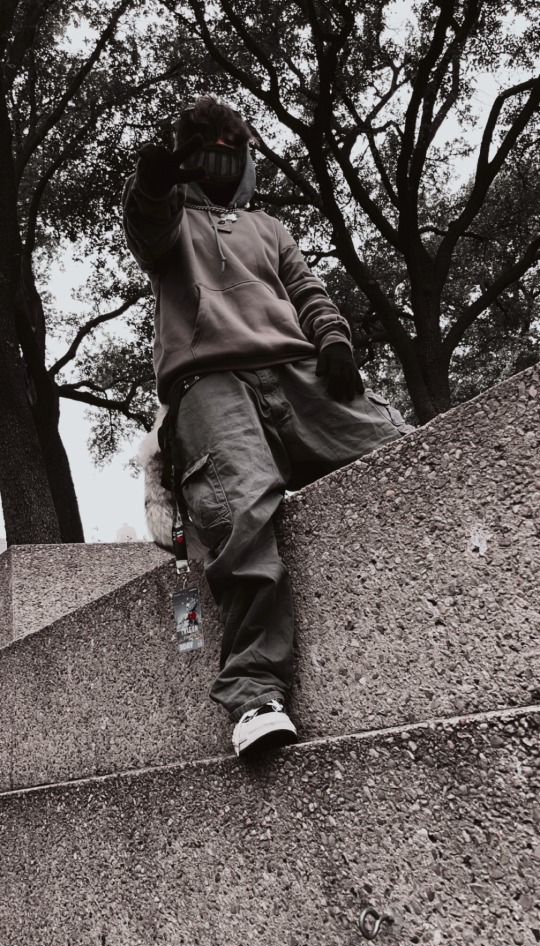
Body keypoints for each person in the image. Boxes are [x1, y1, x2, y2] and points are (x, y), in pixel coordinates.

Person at [122, 95, 411, 758]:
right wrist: (154, 187)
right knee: (243, 508)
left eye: (234, 150)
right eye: (209, 152)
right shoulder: (173, 222)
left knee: (396, 445)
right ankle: (254, 695)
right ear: (192, 161)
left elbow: (308, 290)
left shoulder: (270, 228)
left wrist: (333, 340)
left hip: (294, 370)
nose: (223, 163)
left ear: (247, 158)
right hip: (210, 383)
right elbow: (148, 229)